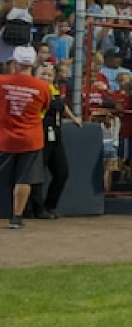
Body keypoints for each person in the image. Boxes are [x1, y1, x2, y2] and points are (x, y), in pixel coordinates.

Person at [0, 46, 52, 229]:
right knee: (24, 179)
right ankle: (16, 217)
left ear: (15, 63)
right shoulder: (43, 87)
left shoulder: (2, 82)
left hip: (4, 137)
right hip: (31, 138)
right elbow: (44, 108)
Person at [25, 62, 81, 220]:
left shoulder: (53, 91)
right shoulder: (34, 91)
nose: (46, 77)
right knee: (36, 173)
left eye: (49, 74)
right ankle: (36, 208)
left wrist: (74, 118)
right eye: (43, 74)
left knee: (62, 172)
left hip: (55, 133)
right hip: (39, 132)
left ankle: (50, 206)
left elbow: (61, 106)